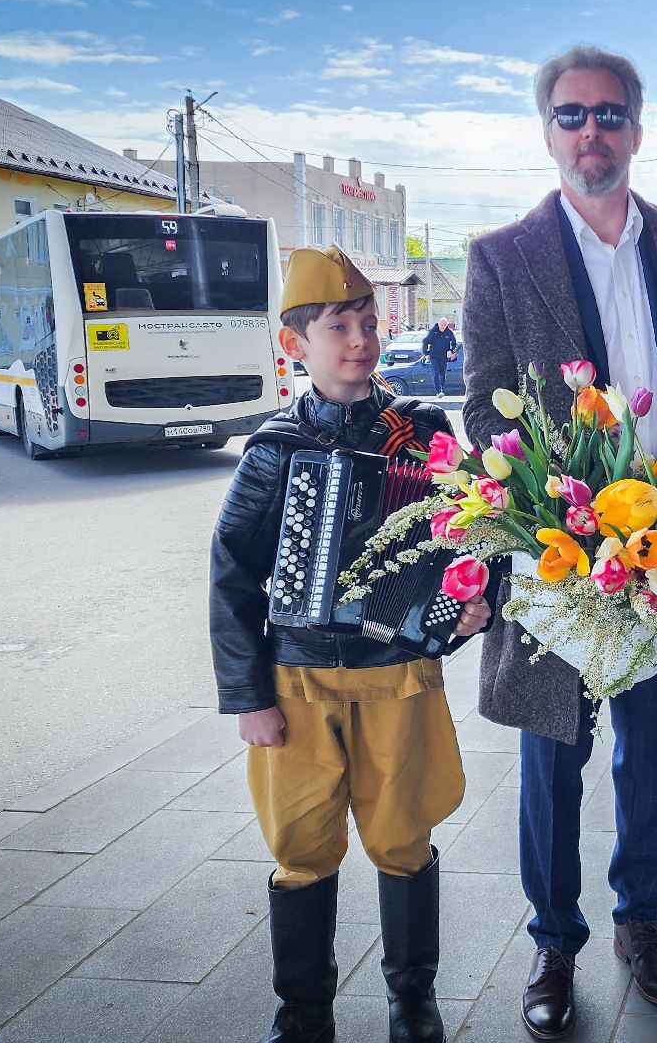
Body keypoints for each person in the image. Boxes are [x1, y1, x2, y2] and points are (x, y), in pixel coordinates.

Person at [459, 44, 657, 1041]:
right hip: (558, 556)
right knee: (552, 761)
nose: (591, 132)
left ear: (637, 130)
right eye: (571, 116)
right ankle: (554, 939)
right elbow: (483, 413)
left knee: (652, 753)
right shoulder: (502, 256)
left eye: (609, 115)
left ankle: (640, 921)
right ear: (547, 131)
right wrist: (547, 509)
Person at [209, 245, 492, 1043]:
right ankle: (302, 1016)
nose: (360, 339)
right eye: (339, 326)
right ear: (297, 344)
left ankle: (414, 1003)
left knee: (404, 838)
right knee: (300, 844)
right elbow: (231, 575)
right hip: (296, 685)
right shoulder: (273, 451)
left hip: (399, 677)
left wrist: (475, 605)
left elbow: (476, 540)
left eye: (367, 322)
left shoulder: (425, 436)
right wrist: (248, 696)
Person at [420, 318, 456, 396]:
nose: (443, 327)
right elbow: (425, 342)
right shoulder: (433, 332)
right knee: (435, 373)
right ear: (438, 324)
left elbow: (454, 343)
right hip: (434, 356)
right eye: (442, 325)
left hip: (444, 357)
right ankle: (439, 391)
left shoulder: (449, 333)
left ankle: (441, 389)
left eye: (445, 325)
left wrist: (451, 350)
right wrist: (426, 354)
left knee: (442, 374)